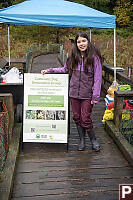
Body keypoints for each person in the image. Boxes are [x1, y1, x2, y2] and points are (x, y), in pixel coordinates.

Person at [41, 31, 102, 152]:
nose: (81, 44)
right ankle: (81, 140)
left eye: (83, 41)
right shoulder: (73, 57)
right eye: (79, 42)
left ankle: (93, 140)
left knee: (85, 118)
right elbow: (64, 69)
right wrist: (49, 70)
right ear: (76, 44)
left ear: (88, 42)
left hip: (87, 95)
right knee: (77, 117)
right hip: (74, 94)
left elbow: (98, 78)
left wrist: (95, 96)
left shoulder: (94, 58)